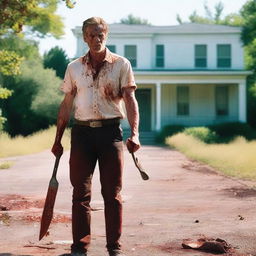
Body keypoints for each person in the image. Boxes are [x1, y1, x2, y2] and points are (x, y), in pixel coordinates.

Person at [51, 17, 140, 256]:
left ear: (106, 36)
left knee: (112, 194)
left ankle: (114, 248)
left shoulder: (122, 64)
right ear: (84, 38)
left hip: (111, 133)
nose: (96, 39)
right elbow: (66, 104)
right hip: (81, 135)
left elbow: (130, 100)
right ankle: (80, 247)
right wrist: (57, 139)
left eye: (100, 34)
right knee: (80, 194)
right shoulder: (74, 68)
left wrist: (135, 133)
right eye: (91, 35)